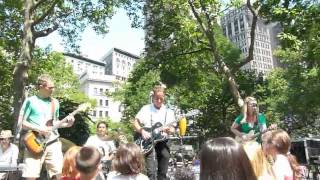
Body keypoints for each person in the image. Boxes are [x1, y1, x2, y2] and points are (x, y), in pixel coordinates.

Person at [18, 74, 75, 180]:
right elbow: (22, 123)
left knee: (59, 174)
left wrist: (68, 124)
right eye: (50, 87)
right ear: (40, 86)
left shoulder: (55, 102)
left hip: (53, 142)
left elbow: (54, 123)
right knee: (31, 176)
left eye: (53, 87)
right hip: (35, 143)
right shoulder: (30, 101)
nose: (52, 90)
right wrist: (39, 129)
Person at [133, 85, 176, 180]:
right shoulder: (146, 108)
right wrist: (142, 131)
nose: (159, 101)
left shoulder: (169, 111)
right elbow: (135, 122)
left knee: (163, 166)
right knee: (151, 171)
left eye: (161, 99)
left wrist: (169, 130)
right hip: (148, 141)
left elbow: (172, 129)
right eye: (157, 98)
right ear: (153, 97)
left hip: (163, 142)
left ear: (164, 98)